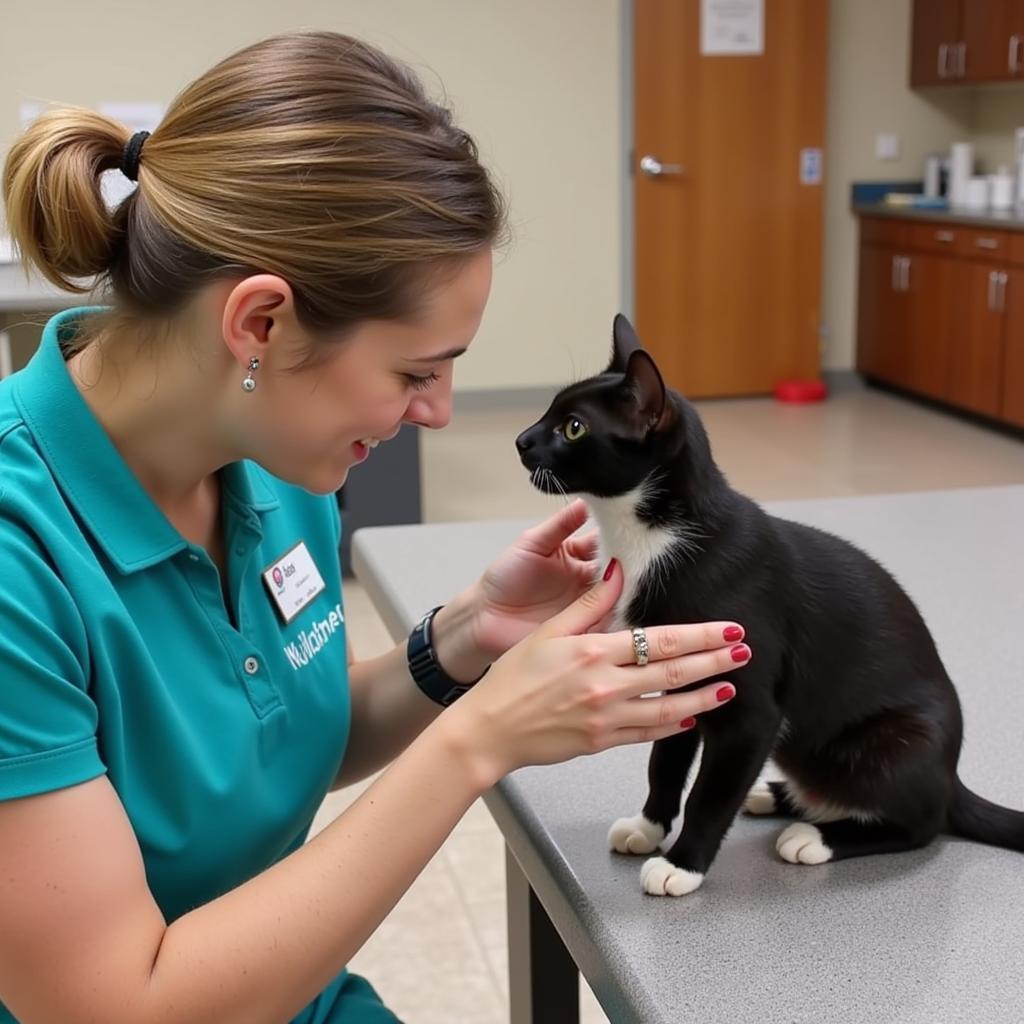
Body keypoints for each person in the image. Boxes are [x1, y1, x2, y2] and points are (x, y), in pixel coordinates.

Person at [0, 30, 744, 1024]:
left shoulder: (272, 460)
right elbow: (117, 1007)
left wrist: (464, 640)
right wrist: (477, 740)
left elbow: (279, 736)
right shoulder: (19, 557)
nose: (438, 411)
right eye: (415, 371)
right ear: (259, 325)